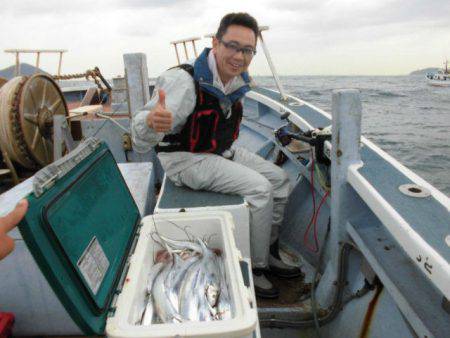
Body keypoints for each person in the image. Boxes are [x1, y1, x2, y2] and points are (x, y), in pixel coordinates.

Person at [132, 12, 301, 298]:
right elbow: (139, 138)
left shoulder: (236, 80)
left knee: (281, 180)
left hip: (220, 151)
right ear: (215, 43)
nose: (239, 56)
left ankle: (268, 251)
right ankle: (256, 268)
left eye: (247, 50)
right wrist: (150, 123)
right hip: (185, 159)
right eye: (232, 46)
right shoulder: (182, 82)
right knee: (261, 190)